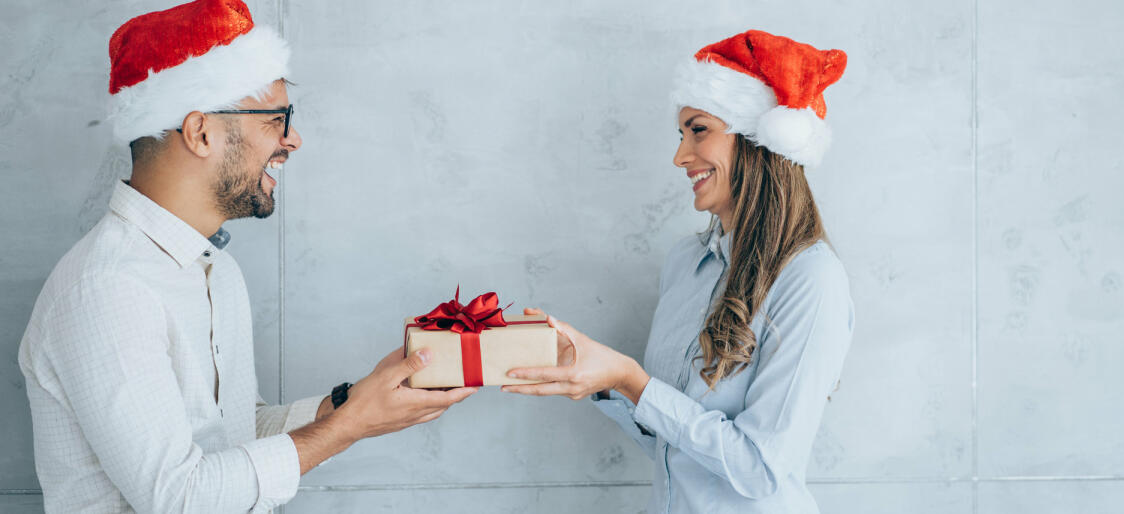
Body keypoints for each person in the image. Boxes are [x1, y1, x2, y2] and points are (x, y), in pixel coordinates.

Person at [17, 1, 475, 512]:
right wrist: (350, 426)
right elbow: (178, 496)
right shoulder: (106, 290)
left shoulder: (215, 270)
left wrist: (354, 400)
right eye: (276, 121)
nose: (292, 140)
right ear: (201, 132)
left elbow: (233, 434)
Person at [504, 30, 854, 513]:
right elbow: (676, 449)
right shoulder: (686, 264)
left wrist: (632, 380)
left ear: (757, 140)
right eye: (681, 134)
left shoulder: (811, 279)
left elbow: (761, 469)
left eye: (699, 129)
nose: (679, 156)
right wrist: (602, 379)